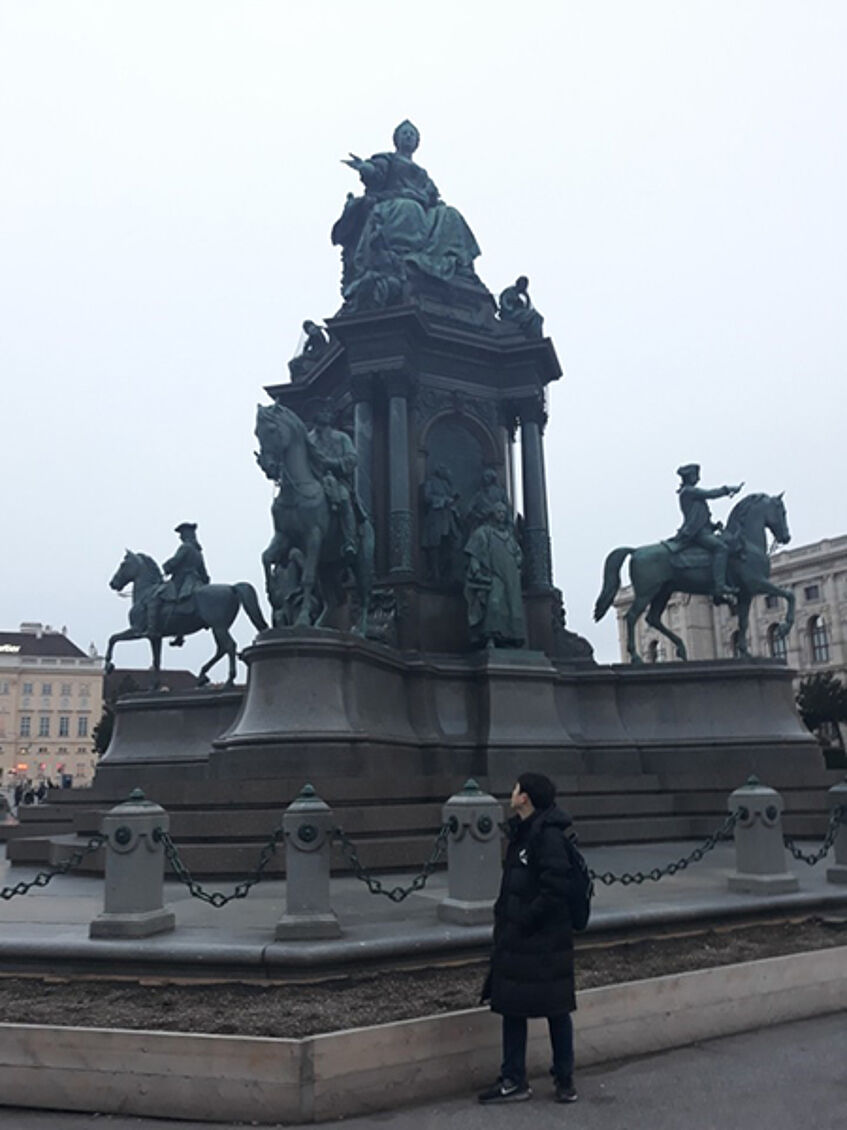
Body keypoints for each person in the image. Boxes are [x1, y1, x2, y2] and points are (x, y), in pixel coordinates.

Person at [479, 772, 578, 1104]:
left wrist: (522, 919)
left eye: (516, 788)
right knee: (516, 1006)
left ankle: (556, 1079)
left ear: (526, 798)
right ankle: (518, 1078)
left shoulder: (545, 836)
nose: (512, 792)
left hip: (539, 938)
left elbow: (555, 887)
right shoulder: (524, 831)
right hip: (525, 938)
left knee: (553, 1008)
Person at [333, 120, 481, 286]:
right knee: (409, 208)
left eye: (412, 134)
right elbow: (376, 175)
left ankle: (455, 261)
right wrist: (364, 168)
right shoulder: (388, 159)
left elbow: (432, 194)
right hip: (393, 202)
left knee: (450, 214)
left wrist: (428, 197)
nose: (409, 136)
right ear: (397, 139)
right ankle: (403, 257)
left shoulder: (422, 172)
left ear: (417, 142)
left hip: (423, 206)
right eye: (405, 133)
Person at [674, 464, 743, 602]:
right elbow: (710, 494)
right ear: (689, 477)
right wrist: (727, 489)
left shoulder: (691, 494)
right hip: (697, 534)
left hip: (704, 530)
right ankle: (720, 586)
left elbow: (698, 516)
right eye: (695, 475)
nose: (698, 478)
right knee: (721, 548)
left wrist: (712, 525)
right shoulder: (688, 491)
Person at [464, 502, 526, 647]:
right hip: (493, 575)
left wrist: (518, 562)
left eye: (504, 513)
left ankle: (511, 638)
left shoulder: (509, 537)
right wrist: (477, 571)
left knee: (513, 607)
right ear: (492, 514)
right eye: (499, 512)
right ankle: (489, 637)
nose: (501, 515)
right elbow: (474, 555)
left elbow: (518, 554)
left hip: (511, 578)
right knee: (494, 603)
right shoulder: (483, 532)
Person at [307, 403, 359, 562]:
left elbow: (352, 459)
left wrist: (331, 463)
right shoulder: (307, 440)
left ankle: (349, 540)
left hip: (336, 480)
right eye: (321, 410)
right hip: (312, 481)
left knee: (343, 498)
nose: (325, 414)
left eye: (327, 411)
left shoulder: (341, 437)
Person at [146, 523, 210, 640]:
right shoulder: (198, 552)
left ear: (186, 535)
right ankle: (179, 635)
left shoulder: (185, 547)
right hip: (196, 581)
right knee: (179, 604)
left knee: (156, 597)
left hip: (183, 580)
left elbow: (176, 560)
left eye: (181, 534)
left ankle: (152, 629)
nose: (180, 537)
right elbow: (203, 572)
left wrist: (166, 567)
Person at [421, 464, 463, 582]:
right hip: (436, 517)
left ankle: (448, 573)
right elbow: (427, 497)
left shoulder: (448, 485)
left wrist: (454, 500)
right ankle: (435, 572)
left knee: (450, 545)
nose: (447, 472)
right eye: (444, 469)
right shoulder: (431, 482)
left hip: (448, 519)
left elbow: (453, 502)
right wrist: (443, 500)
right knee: (434, 545)